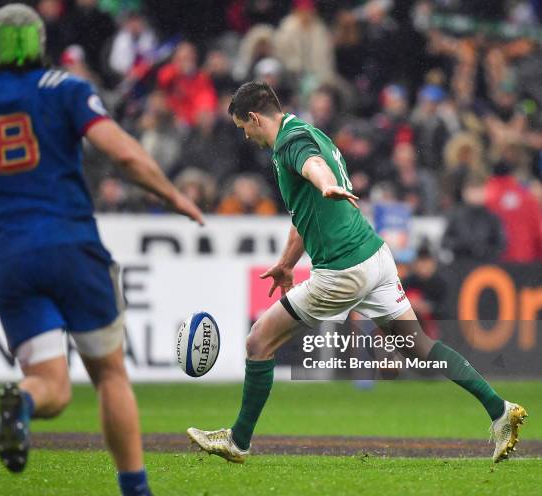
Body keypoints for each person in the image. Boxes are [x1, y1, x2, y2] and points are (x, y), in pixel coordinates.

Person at [0, 4, 204, 496]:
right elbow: (123, 153)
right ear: (38, 42)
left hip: (9, 256)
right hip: (72, 247)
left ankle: (24, 403)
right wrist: (173, 196)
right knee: (109, 374)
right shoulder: (67, 89)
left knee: (50, 387)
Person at [187, 81, 527, 465]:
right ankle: (501, 411)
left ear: (253, 117)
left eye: (241, 126)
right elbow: (303, 213)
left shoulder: (289, 143)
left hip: (342, 269)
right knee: (418, 344)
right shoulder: (311, 131)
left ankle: (239, 439)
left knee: (258, 343)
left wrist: (326, 183)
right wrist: (286, 263)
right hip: (375, 256)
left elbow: (313, 167)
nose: (245, 135)